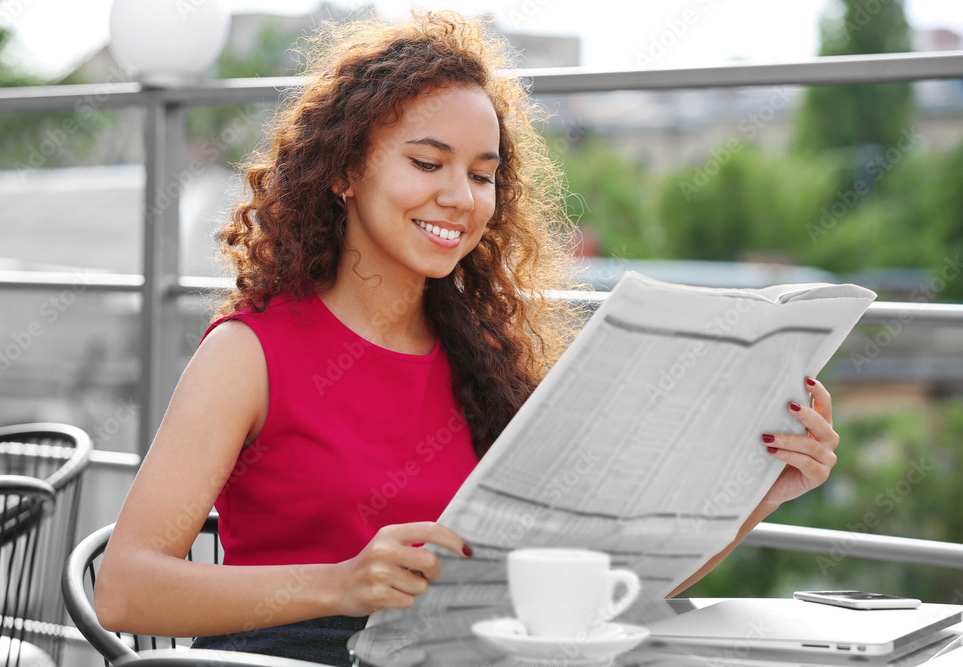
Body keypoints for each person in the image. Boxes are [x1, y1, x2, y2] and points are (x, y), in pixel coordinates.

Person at [93, 9, 841, 666]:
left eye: (483, 175)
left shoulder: (486, 359)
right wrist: (341, 581)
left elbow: (589, 591)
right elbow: (124, 590)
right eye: (427, 162)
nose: (460, 197)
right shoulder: (248, 353)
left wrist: (762, 492)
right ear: (346, 169)